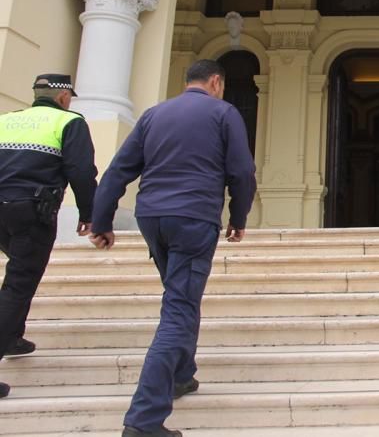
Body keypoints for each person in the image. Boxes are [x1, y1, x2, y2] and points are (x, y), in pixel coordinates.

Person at [89, 60, 256, 437]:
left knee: (181, 295)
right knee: (179, 308)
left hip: (152, 218)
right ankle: (144, 420)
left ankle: (182, 375)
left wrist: (102, 221)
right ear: (216, 81)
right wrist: (239, 217)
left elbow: (119, 170)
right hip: (194, 218)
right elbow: (242, 171)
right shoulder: (224, 112)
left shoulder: (153, 115)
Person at [0, 74, 98, 399]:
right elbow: (81, 172)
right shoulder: (69, 121)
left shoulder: (8, 120)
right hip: (31, 211)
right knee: (19, 281)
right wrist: (90, 214)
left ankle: (13, 335)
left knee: (18, 273)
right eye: (70, 95)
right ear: (62, 96)